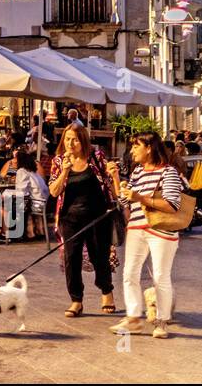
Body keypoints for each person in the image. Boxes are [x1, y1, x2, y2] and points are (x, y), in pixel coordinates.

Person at [113, 131, 185, 339]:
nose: (132, 150)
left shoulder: (168, 172)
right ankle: (134, 318)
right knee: (129, 274)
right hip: (136, 228)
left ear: (149, 148)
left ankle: (161, 321)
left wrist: (140, 197)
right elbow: (125, 202)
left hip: (161, 230)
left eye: (136, 146)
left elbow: (172, 204)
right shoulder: (137, 172)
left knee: (161, 276)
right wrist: (116, 179)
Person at [48, 124, 118, 318]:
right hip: (69, 218)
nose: (71, 143)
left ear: (83, 141)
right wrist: (64, 172)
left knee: (99, 257)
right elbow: (54, 192)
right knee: (72, 259)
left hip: (97, 216)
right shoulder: (59, 161)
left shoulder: (96, 158)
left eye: (75, 139)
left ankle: (107, 293)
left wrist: (115, 175)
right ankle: (76, 300)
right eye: (67, 139)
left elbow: (111, 186)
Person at [8, 149, 49, 239]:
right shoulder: (33, 172)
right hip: (43, 201)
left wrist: (9, 194)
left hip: (36, 202)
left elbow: (21, 192)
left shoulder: (22, 171)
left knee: (7, 205)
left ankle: (12, 233)